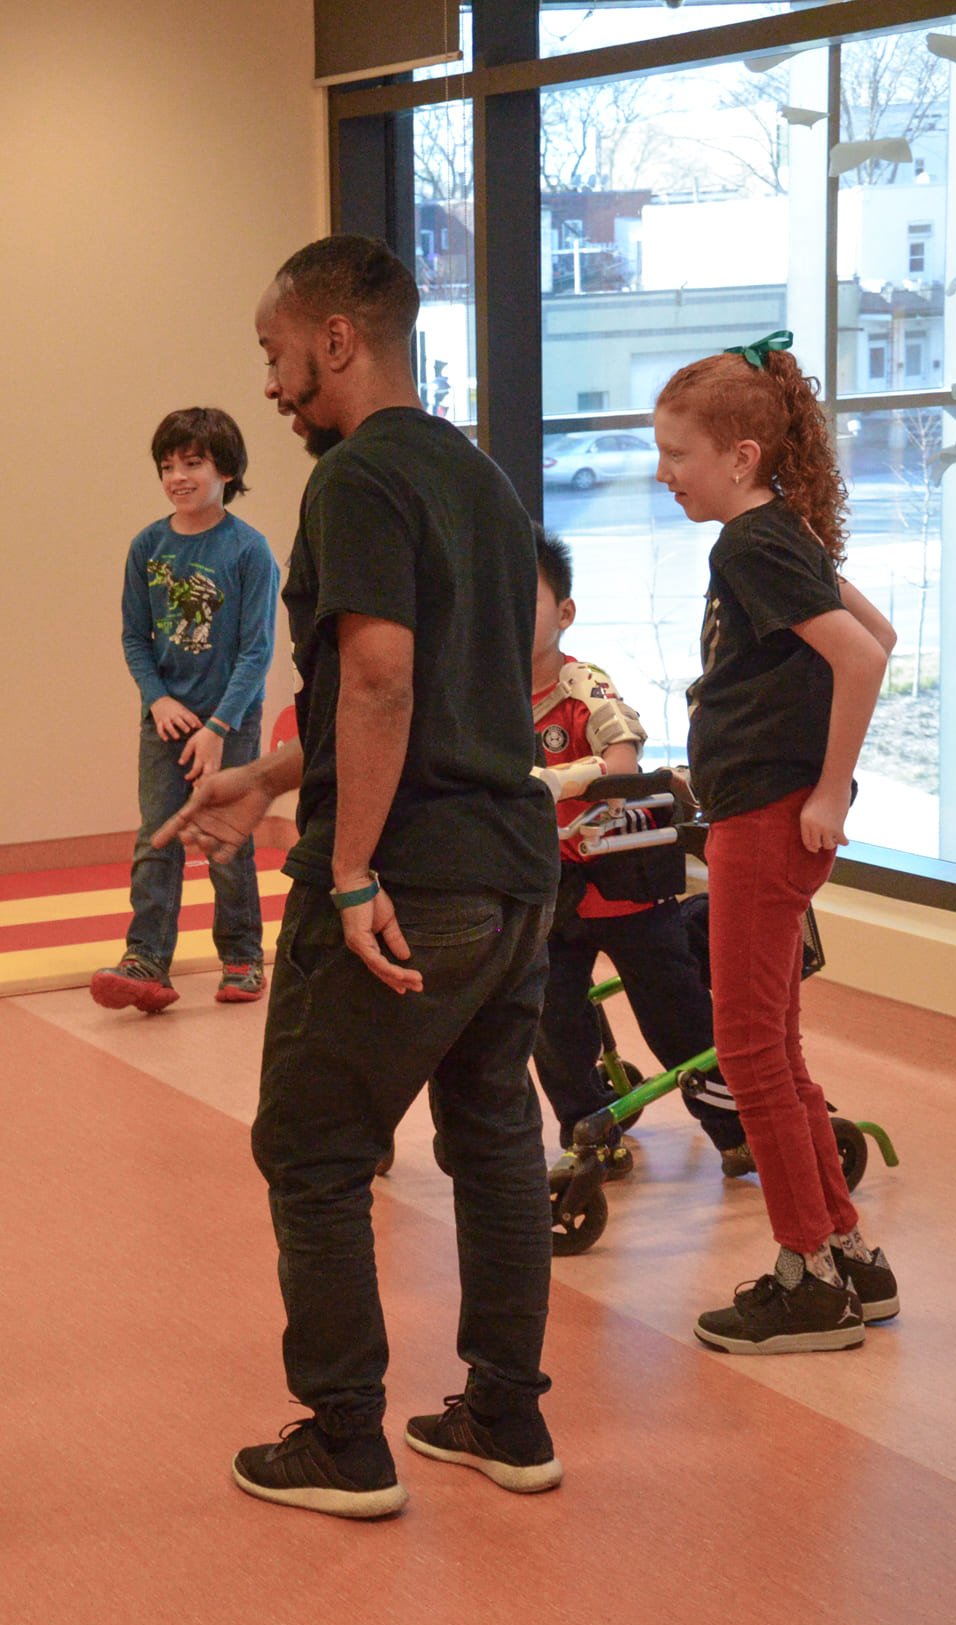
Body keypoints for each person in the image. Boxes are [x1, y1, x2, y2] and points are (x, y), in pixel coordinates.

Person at [158, 236, 561, 1519]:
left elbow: (384, 676)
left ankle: (344, 1439)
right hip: (511, 870)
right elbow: (461, 686)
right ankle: (504, 1414)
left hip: (410, 874)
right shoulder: (481, 480)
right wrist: (274, 778)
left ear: (336, 338)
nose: (271, 388)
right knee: (493, 1134)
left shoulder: (354, 481)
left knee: (316, 1150)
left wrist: (342, 870)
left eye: (276, 355)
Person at [655, 335, 901, 1356]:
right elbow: (878, 634)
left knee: (750, 1053)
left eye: (676, 454)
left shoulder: (750, 544)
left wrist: (829, 790)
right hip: (769, 812)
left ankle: (805, 1276)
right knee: (776, 1047)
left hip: (767, 819)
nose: (663, 473)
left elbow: (856, 658)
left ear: (742, 456)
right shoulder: (786, 534)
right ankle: (846, 1251)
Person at [526, 532, 747, 1174]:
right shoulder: (490, 694)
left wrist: (555, 781)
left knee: (676, 1019)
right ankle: (591, 1134)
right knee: (553, 1020)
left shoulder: (582, 684)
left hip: (622, 884)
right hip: (551, 891)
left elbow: (622, 764)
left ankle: (734, 1131)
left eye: (527, 597)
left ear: (564, 613)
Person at [94, 407, 279, 1012]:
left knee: (227, 841)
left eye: (192, 463)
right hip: (165, 721)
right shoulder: (147, 546)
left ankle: (243, 958)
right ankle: (147, 958)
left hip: (232, 720)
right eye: (168, 466)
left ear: (224, 470)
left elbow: (257, 651)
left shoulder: (249, 551)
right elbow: (133, 638)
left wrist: (220, 727)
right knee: (157, 837)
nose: (178, 476)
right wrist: (159, 699)